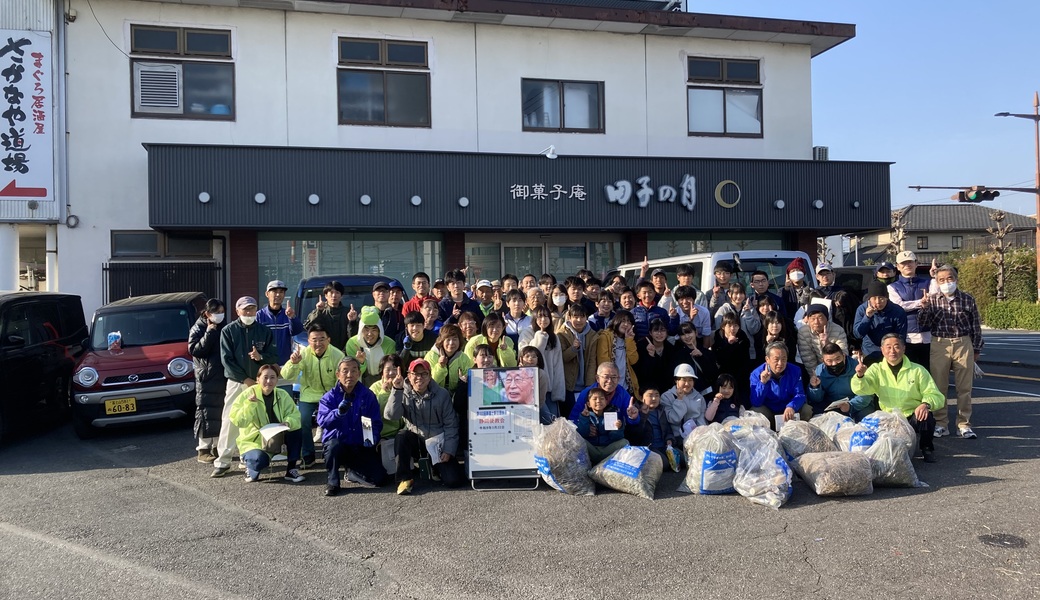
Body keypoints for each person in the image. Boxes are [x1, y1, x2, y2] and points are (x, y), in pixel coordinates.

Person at [850, 333, 945, 462]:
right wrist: (860, 376)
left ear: (903, 348)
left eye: (896, 346)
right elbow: (861, 389)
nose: (892, 351)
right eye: (888, 347)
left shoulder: (917, 370)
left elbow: (935, 395)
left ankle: (927, 447)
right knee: (890, 454)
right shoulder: (876, 369)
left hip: (911, 415)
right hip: (889, 418)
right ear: (882, 350)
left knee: (926, 417)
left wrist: (925, 404)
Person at [213, 296, 279, 478]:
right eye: (245, 310)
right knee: (231, 419)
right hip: (236, 382)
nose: (249, 313)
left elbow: (273, 355)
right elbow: (226, 360)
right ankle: (223, 461)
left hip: (260, 382)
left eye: (252, 309)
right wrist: (245, 379)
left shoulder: (263, 330)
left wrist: (261, 358)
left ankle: (248, 457)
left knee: (257, 419)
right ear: (238, 311)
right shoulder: (228, 331)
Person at [918, 264, 984, 439]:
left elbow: (976, 326)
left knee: (964, 388)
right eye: (941, 280)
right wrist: (923, 307)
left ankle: (964, 424)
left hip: (963, 342)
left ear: (956, 279)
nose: (946, 282)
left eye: (949, 278)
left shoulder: (967, 299)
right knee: (939, 387)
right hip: (939, 343)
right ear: (937, 282)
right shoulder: (931, 299)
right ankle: (941, 423)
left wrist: (976, 348)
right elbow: (923, 324)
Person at [384, 358, 466, 494]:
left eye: (424, 374)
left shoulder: (442, 394)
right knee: (402, 436)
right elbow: (391, 416)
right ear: (409, 376)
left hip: (437, 444)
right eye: (415, 374)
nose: (419, 378)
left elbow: (451, 425)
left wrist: (448, 450)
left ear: (430, 376)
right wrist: (396, 390)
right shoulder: (401, 392)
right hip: (416, 441)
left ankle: (435, 467)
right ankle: (404, 479)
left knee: (454, 481)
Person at [317, 357, 387, 496]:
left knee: (380, 479)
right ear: (338, 374)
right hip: (338, 445)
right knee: (333, 447)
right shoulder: (329, 397)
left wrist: (372, 437)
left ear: (359, 374)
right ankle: (333, 482)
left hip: (359, 444)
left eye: (354, 371)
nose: (349, 375)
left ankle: (352, 472)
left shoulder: (367, 395)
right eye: (345, 371)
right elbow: (323, 421)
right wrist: (338, 413)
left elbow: (375, 422)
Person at [228, 363, 305, 484]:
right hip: (255, 440)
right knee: (259, 461)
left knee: (296, 429)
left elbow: (295, 415)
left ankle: (291, 469)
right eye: (265, 377)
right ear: (258, 379)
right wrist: (250, 405)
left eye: (273, 377)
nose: (269, 381)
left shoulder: (282, 394)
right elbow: (239, 421)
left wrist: (288, 422)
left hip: (278, 437)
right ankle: (249, 463)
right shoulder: (247, 394)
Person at [280, 324, 344, 468]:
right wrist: (293, 363)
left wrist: (336, 398)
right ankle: (308, 455)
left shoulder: (338, 355)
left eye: (322, 339)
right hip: (308, 394)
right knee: (302, 421)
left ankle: (331, 452)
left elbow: (341, 380)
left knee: (335, 420)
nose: (318, 343)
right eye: (314, 339)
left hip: (330, 395)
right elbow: (286, 375)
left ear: (329, 340)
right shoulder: (303, 354)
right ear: (308, 341)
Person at [188, 298, 227, 464]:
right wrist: (209, 333)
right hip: (206, 377)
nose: (220, 315)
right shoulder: (198, 328)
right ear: (207, 313)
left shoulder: (223, 327)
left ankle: (217, 448)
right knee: (205, 412)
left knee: (220, 412)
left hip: (221, 374)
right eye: (216, 312)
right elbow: (195, 350)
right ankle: (203, 449)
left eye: (221, 312)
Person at [887, 250, 933, 370]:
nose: (907, 265)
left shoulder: (928, 282)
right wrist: (920, 303)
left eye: (910, 262)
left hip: (928, 335)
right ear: (898, 267)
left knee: (927, 371)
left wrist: (935, 277)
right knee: (909, 371)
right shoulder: (892, 287)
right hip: (906, 336)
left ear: (916, 263)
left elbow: (935, 299)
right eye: (903, 263)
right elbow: (898, 305)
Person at [749, 342, 812, 429]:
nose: (780, 363)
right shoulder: (756, 374)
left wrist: (791, 406)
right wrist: (763, 383)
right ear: (767, 359)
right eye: (776, 359)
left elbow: (800, 394)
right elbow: (756, 402)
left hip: (788, 410)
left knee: (806, 409)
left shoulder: (795, 370)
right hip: (769, 410)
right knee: (756, 411)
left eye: (783, 359)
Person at [806, 343, 874, 420]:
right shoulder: (820, 371)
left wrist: (850, 405)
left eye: (838, 359)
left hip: (855, 404)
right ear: (823, 361)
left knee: (868, 418)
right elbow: (816, 399)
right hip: (831, 406)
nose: (834, 363)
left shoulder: (857, 367)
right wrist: (815, 387)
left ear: (844, 356)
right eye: (829, 361)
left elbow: (867, 393)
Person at [517, 306, 565, 413]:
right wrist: (540, 336)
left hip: (549, 387)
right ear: (534, 318)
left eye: (546, 316)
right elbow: (529, 358)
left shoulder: (554, 337)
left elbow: (558, 365)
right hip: (531, 387)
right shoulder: (526, 333)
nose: (543, 320)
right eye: (539, 317)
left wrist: (558, 391)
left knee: (553, 421)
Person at [575, 387, 637, 464]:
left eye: (601, 398)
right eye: (595, 399)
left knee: (624, 442)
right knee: (576, 441)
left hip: (607, 450)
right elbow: (583, 433)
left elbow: (615, 438)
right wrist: (584, 418)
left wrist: (618, 428)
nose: (598, 401)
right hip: (591, 449)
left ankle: (607, 464)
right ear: (588, 404)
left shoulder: (611, 415)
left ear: (606, 402)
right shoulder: (585, 416)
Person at [558, 303, 599, 418]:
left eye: (582, 317)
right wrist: (573, 349)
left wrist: (590, 386)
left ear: (586, 318)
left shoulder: (592, 335)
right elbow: (562, 358)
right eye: (575, 317)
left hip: (585, 384)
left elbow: (592, 361)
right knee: (570, 417)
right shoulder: (562, 334)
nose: (579, 320)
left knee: (585, 417)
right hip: (569, 385)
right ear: (569, 318)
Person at [852, 280, 907, 365]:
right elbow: (858, 334)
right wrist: (867, 317)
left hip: (891, 353)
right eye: (874, 298)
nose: (878, 302)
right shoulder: (862, 309)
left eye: (881, 298)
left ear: (887, 297)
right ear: (869, 298)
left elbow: (901, 336)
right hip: (870, 352)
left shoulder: (898, 311)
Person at [344, 306, 398, 387]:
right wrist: (361, 363)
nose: (370, 334)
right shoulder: (352, 343)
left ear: (380, 330)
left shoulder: (389, 344)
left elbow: (391, 370)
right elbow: (352, 373)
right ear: (361, 330)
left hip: (384, 384)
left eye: (374, 330)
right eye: (366, 329)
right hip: (360, 385)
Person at [569, 362, 638, 424]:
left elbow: (633, 421)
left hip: (613, 435)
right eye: (606, 377)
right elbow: (573, 419)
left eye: (614, 377)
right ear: (597, 378)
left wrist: (633, 417)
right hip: (589, 436)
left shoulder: (622, 394)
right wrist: (584, 428)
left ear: (618, 379)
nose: (610, 381)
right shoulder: (587, 393)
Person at [256, 280, 303, 366]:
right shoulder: (259, 315)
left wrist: (292, 317)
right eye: (274, 291)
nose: (278, 295)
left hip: (285, 364)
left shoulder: (288, 314)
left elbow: (297, 331)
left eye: (281, 292)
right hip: (265, 365)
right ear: (267, 294)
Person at [596, 309, 639, 398]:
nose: (626, 324)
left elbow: (633, 360)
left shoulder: (629, 338)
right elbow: (603, 363)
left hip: (625, 386)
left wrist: (629, 340)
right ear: (616, 321)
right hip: (609, 385)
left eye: (629, 322)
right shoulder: (605, 337)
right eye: (623, 321)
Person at [660, 363, 707, 444]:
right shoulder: (666, 396)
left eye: (690, 380)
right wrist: (679, 400)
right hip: (677, 438)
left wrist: (703, 434)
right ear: (676, 380)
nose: (687, 384)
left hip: (696, 437)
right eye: (684, 380)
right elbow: (673, 419)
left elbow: (701, 418)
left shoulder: (699, 397)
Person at [304, 281, 358, 351]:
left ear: (341, 296)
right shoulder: (320, 311)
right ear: (326, 295)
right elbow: (308, 327)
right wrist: (319, 311)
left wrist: (352, 322)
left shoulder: (348, 313)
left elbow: (354, 336)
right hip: (323, 352)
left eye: (337, 292)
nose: (334, 295)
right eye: (331, 292)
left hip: (344, 353)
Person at [796, 303, 849, 372]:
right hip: (818, 370)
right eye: (813, 318)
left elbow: (843, 353)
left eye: (820, 318)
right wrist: (816, 375)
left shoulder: (838, 330)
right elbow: (808, 359)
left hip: (838, 367)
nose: (816, 322)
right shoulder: (803, 332)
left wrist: (827, 344)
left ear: (827, 318)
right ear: (808, 320)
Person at [635, 317, 676, 397]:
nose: (659, 334)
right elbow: (642, 373)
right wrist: (651, 357)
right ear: (650, 332)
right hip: (646, 391)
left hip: (666, 391)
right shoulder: (641, 346)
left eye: (663, 330)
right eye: (656, 330)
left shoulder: (671, 349)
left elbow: (669, 374)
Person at [712, 312, 752, 393]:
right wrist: (729, 345)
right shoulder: (717, 338)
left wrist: (736, 344)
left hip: (739, 374)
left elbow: (744, 359)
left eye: (735, 325)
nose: (733, 328)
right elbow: (719, 361)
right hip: (723, 374)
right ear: (723, 326)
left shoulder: (742, 337)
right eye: (729, 326)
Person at [369, 354, 404, 445]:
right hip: (380, 435)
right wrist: (385, 392)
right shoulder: (374, 388)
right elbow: (376, 412)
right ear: (382, 371)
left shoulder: (406, 386)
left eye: (395, 369)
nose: (391, 373)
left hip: (400, 434)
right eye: (388, 369)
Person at [519, 346, 555, 424]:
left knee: (549, 422)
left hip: (538, 404)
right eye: (527, 356)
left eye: (534, 356)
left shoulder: (541, 373)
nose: (530, 359)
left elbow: (541, 396)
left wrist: (535, 408)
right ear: (521, 359)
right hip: (519, 405)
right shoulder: (515, 373)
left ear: (538, 360)